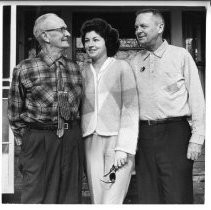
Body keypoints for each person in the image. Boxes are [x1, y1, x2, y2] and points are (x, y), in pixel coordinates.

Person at [130, 9, 205, 204]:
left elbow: (197, 99)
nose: (138, 30)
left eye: (143, 26)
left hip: (175, 134)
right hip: (144, 136)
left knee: (177, 195)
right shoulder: (134, 61)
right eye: (136, 26)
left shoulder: (181, 56)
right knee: (148, 196)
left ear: (160, 27)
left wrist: (197, 138)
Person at [8, 13, 83, 204]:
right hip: (38, 138)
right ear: (45, 36)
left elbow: (79, 106)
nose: (67, 33)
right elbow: (15, 113)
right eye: (61, 29)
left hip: (70, 137)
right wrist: (27, 141)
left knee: (69, 197)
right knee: (36, 196)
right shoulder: (24, 68)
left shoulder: (75, 68)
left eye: (66, 28)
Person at [80, 18, 139, 204]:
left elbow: (130, 109)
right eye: (87, 40)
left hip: (117, 142)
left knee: (112, 200)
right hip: (90, 141)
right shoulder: (82, 71)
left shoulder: (122, 67)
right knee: (97, 200)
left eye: (96, 39)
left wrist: (124, 148)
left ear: (107, 41)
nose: (90, 44)